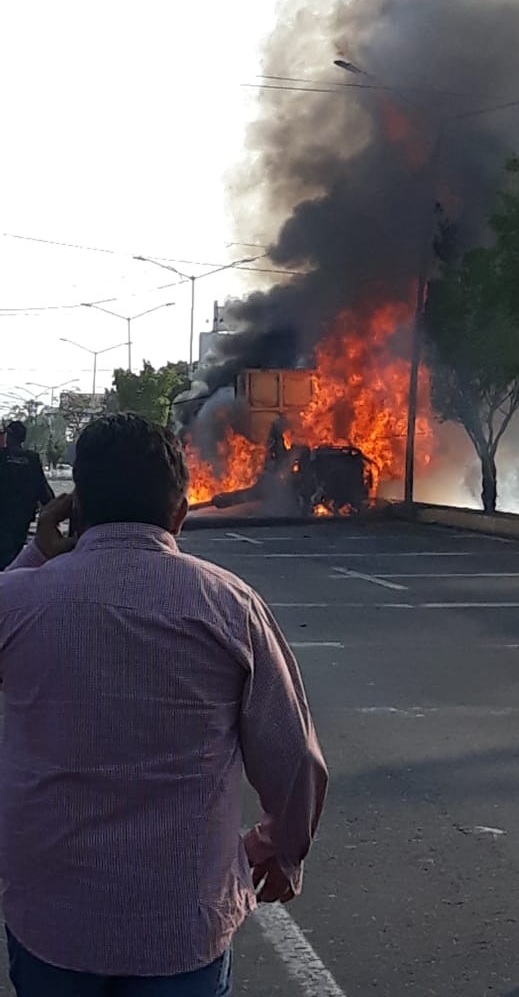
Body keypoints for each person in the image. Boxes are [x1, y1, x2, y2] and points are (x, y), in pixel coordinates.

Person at [0, 414, 328, 997]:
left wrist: (35, 556)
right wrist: (282, 847)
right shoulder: (229, 605)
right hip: (181, 923)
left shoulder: (19, 601)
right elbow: (294, 756)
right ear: (179, 514)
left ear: (76, 510)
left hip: (52, 916)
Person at [0, 420, 54, 570]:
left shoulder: (1, 457)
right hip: (21, 520)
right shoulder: (32, 459)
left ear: (8, 436)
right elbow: (43, 490)